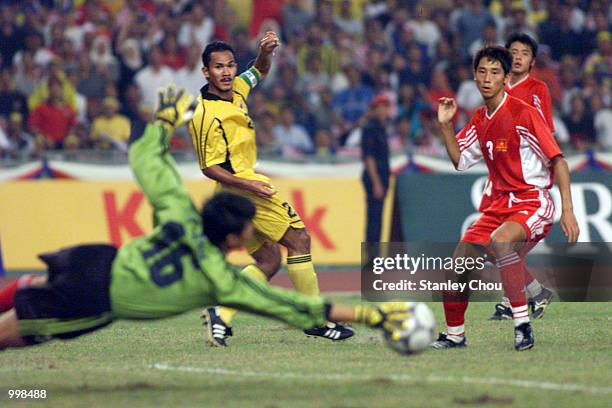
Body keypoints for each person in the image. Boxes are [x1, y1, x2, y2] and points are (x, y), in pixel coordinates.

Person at [0, 86, 410, 351]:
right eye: (248, 229)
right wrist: (371, 315)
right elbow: (290, 307)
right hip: (92, 301)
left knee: (32, 286)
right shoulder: (217, 279)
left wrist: (162, 123)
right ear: (234, 239)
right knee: (15, 338)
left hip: (93, 259)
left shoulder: (180, 214)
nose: (252, 233)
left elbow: (146, 161)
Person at [188, 34, 354, 346]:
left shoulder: (237, 87)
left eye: (230, 66)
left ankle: (221, 315)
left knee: (268, 260)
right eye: (218, 67)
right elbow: (208, 167)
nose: (226, 72)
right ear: (206, 72)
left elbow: (259, 71)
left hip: (241, 190)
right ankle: (314, 318)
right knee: (299, 239)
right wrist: (248, 183)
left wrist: (264, 53)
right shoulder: (205, 116)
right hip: (243, 190)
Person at [431, 46, 579, 351]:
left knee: (501, 243)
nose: (487, 78)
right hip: (498, 207)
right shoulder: (480, 119)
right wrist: (445, 125)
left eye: (495, 72)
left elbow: (558, 161)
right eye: (482, 72)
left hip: (533, 202)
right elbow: (460, 161)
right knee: (456, 268)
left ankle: (522, 325)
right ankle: (455, 335)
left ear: (505, 77)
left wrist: (567, 209)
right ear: (474, 75)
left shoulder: (524, 112)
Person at [486, 33, 557, 321]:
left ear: (532, 60)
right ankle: (536, 292)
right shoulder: (498, 88)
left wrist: (544, 167)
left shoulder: (537, 89)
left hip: (528, 181)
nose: (517, 57)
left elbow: (544, 132)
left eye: (523, 53)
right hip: (504, 178)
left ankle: (509, 302)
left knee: (506, 246)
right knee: (502, 247)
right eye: (513, 51)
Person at [361, 95, 391, 245]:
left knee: (377, 218)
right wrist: (376, 182)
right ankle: (372, 257)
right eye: (382, 107)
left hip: (382, 177)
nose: (385, 111)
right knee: (374, 219)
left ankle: (375, 256)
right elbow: (369, 158)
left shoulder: (381, 128)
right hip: (375, 178)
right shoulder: (370, 129)